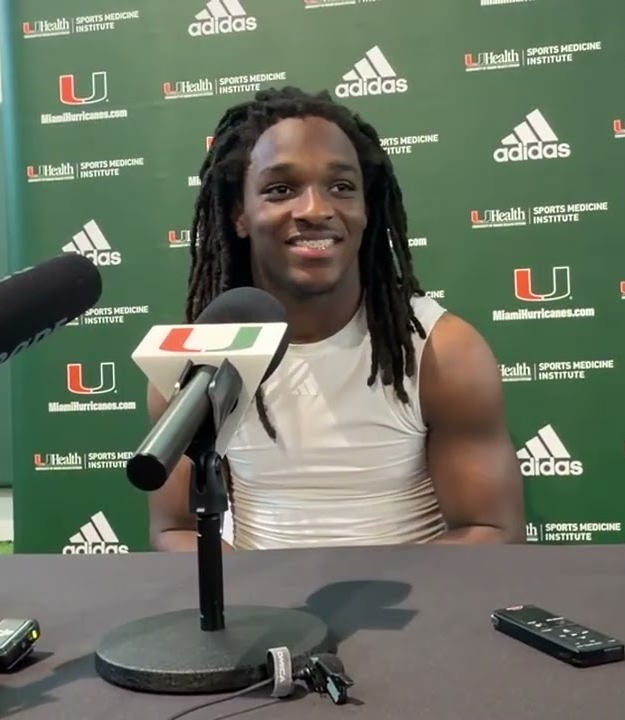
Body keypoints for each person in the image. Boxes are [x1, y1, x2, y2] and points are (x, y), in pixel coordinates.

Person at [146, 86, 525, 551]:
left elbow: (490, 530)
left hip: (414, 611)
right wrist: (261, 603)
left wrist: (358, 605)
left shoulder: (442, 350)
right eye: (281, 189)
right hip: (262, 616)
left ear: (366, 209)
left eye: (341, 187)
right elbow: (177, 529)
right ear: (239, 215)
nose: (316, 210)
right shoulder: (200, 358)